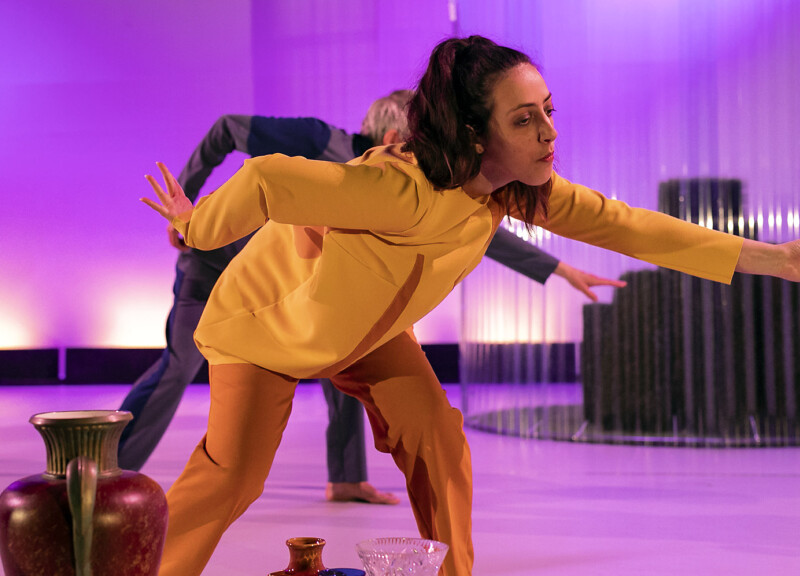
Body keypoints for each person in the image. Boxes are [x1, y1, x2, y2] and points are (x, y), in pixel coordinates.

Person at [141, 35, 800, 576]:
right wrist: (194, 227)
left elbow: (628, 225)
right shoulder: (398, 188)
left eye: (548, 110)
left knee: (439, 439)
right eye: (524, 118)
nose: (547, 132)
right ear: (474, 133)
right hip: (265, 331)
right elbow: (265, 178)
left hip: (367, 334)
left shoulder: (514, 192)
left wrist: (775, 258)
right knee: (230, 482)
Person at [118, 91, 623, 505]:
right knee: (180, 363)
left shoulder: (406, 188)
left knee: (343, 347)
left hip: (290, 293)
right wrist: (187, 212)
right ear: (390, 139)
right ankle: (110, 470)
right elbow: (229, 127)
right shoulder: (328, 145)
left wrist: (555, 267)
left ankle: (344, 478)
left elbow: (482, 219)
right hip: (212, 269)